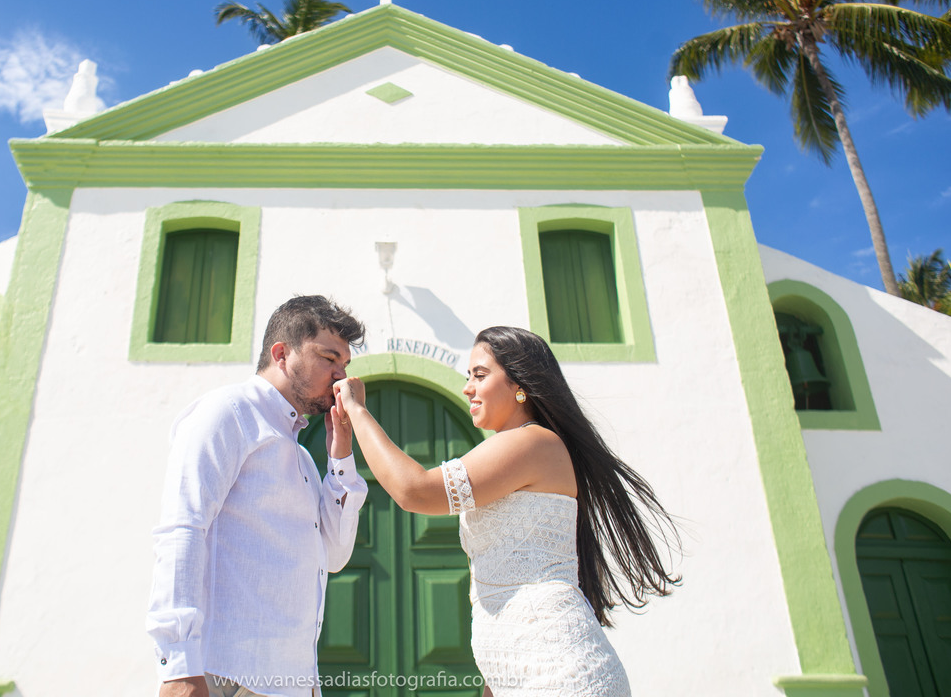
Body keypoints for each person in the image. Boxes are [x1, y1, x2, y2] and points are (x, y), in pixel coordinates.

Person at [330, 326, 679, 697]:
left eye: (479, 375)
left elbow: (415, 491)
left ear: (520, 384)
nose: (467, 388)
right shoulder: (516, 448)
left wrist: (356, 409)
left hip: (563, 678)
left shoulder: (533, 443)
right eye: (468, 377)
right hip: (517, 677)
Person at [147, 296, 368, 697]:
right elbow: (182, 528)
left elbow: (334, 557)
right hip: (226, 676)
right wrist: (178, 667)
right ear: (281, 354)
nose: (341, 379)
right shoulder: (227, 412)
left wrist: (340, 458)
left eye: (345, 366)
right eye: (328, 358)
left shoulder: (301, 457)